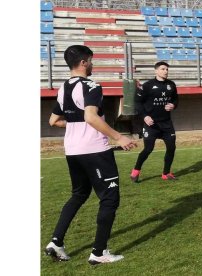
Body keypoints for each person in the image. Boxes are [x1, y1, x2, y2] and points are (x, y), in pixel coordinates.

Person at [45, 45, 137, 264]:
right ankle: (98, 253)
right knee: (109, 199)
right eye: (91, 60)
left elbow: (54, 121)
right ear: (84, 63)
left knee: (79, 194)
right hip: (94, 150)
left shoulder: (63, 88)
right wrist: (119, 137)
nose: (93, 64)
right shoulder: (92, 85)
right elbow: (91, 117)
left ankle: (56, 242)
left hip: (73, 151)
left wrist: (77, 124)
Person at [130, 61, 179, 182]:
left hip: (166, 123)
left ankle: (166, 173)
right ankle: (136, 171)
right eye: (163, 69)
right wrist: (145, 116)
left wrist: (173, 105)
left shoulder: (171, 85)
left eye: (167, 69)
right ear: (156, 71)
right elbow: (137, 102)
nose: (165, 71)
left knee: (171, 148)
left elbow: (175, 99)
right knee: (148, 149)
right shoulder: (147, 86)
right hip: (151, 124)